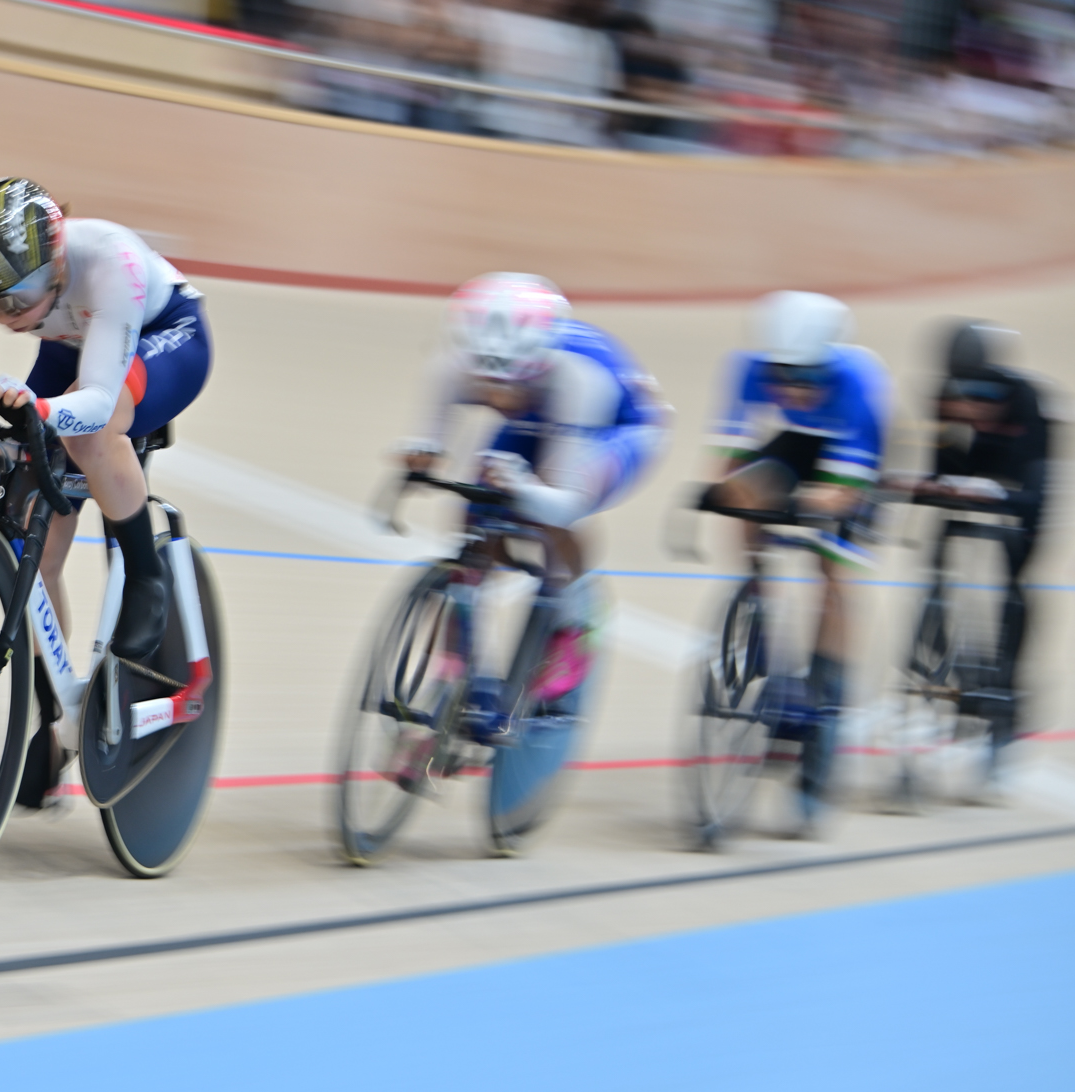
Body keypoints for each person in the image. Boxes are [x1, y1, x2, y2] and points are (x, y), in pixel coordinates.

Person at [0, 177, 213, 664]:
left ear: (58, 262)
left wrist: (42, 411)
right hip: (74, 342)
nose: (4, 314)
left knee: (92, 430)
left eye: (16, 297)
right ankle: (52, 716)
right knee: (35, 542)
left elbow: (93, 403)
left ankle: (144, 575)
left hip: (166, 335)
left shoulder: (111, 258)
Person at [402, 272, 669, 702]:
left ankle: (574, 619)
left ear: (538, 358)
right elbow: (427, 446)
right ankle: (456, 667)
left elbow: (563, 501)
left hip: (616, 430)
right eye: (487, 383)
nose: (497, 394)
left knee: (550, 510)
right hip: (541, 417)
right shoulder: (452, 366)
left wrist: (527, 490)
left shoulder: (580, 378)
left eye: (510, 381)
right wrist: (419, 457)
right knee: (475, 515)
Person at [704, 290, 893, 830]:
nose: (790, 387)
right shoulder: (747, 367)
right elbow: (730, 457)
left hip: (848, 454)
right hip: (796, 442)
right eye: (780, 375)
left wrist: (803, 505)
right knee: (743, 496)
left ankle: (827, 701)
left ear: (828, 362)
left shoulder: (859, 382)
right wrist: (728, 493)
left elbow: (843, 493)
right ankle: (760, 608)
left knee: (831, 568)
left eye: (805, 378)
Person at [903, 321, 1056, 764]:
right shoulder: (943, 396)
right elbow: (940, 464)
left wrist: (1009, 501)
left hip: (1021, 472)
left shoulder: (1024, 397)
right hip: (976, 465)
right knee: (938, 550)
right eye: (956, 386)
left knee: (1017, 574)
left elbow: (1035, 486)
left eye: (978, 389)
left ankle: (1008, 682)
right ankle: (935, 649)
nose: (965, 397)